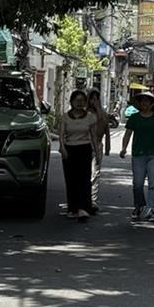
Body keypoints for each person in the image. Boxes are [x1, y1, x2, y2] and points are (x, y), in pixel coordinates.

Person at [120, 91, 154, 223]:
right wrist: (124, 148)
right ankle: (139, 206)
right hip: (138, 154)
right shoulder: (134, 118)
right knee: (137, 184)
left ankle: (151, 210)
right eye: (142, 101)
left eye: (147, 101)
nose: (145, 103)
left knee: (153, 184)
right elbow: (128, 133)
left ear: (152, 104)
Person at [57, 89, 102, 222]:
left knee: (84, 178)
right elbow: (61, 134)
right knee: (71, 179)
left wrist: (96, 152)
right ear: (71, 102)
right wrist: (62, 148)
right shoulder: (65, 117)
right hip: (69, 149)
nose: (79, 103)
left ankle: (83, 208)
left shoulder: (90, 117)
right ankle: (72, 208)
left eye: (82, 100)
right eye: (76, 100)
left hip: (84, 148)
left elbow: (93, 136)